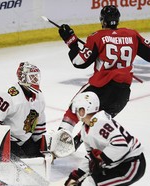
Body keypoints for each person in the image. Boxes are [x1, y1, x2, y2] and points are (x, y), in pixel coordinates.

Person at [57, 5, 150, 149]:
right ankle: (76, 141)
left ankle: (60, 140)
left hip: (100, 87)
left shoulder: (97, 36)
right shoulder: (132, 35)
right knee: (96, 120)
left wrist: (71, 41)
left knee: (75, 107)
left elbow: (79, 62)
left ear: (102, 20)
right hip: (122, 93)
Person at [63, 91, 146, 186]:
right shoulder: (87, 128)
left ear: (84, 110)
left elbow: (121, 145)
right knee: (95, 181)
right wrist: (76, 176)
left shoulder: (99, 122)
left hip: (132, 165)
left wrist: (101, 158)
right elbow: (91, 157)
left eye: (77, 109)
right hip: (122, 162)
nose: (76, 113)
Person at [0, 62, 47, 158]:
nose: (35, 80)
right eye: (32, 77)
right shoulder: (10, 96)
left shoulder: (39, 97)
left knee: (39, 160)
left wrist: (42, 147)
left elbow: (39, 127)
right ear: (23, 78)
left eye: (36, 77)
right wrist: (0, 138)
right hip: (2, 140)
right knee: (20, 166)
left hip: (23, 140)